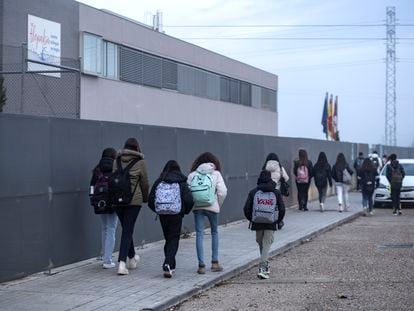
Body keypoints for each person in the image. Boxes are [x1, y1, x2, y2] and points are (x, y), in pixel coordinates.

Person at [148, 160, 194, 278]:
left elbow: (150, 199)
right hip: (176, 214)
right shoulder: (181, 182)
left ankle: (170, 266)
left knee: (168, 239)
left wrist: (159, 209)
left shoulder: (159, 181)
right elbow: (189, 200)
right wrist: (184, 211)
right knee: (173, 239)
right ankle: (168, 263)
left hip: (163, 214)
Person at [187, 152, 227, 274]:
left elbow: (189, 192)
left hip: (198, 207)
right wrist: (217, 205)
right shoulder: (216, 173)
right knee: (214, 232)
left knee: (199, 234)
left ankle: (201, 265)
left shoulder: (192, 175)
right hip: (212, 206)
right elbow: (222, 192)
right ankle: (215, 263)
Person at [114, 138, 149, 275]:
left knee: (126, 229)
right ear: (137, 148)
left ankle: (132, 258)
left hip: (117, 201)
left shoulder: (116, 161)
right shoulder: (140, 162)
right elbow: (145, 183)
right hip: (134, 202)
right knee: (127, 230)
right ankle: (122, 264)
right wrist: (145, 198)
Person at [243, 170, 285, 279]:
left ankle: (263, 267)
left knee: (263, 243)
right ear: (270, 178)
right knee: (265, 243)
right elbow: (282, 208)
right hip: (271, 222)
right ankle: (265, 265)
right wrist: (277, 220)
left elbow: (246, 208)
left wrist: (252, 219)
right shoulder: (276, 192)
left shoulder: (253, 192)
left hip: (257, 222)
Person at [90, 147, 118, 269]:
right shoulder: (115, 168)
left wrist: (92, 200)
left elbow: (91, 186)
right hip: (112, 202)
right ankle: (108, 260)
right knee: (111, 229)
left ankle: (105, 257)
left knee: (105, 228)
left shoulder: (97, 170)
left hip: (100, 202)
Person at [262, 153, 288, 228]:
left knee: (268, 206)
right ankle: (279, 222)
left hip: (267, 191)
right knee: (279, 207)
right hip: (277, 191)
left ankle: (269, 220)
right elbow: (286, 178)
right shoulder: (280, 168)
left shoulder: (264, 168)